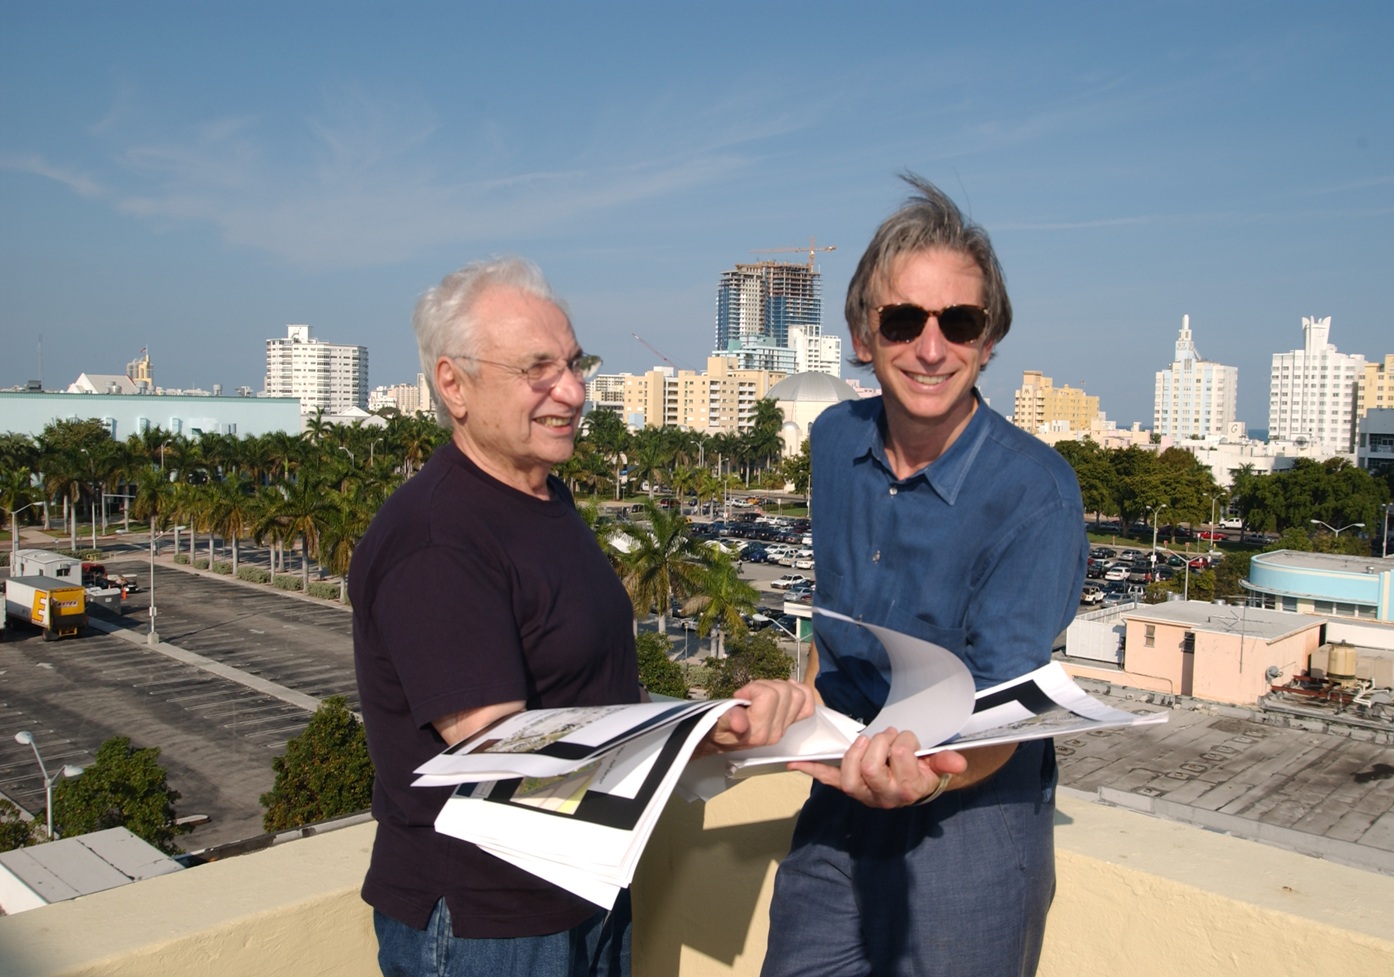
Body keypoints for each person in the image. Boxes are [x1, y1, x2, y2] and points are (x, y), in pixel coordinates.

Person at [350, 256, 811, 977]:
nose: (572, 391)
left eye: (575, 363)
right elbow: (513, 749)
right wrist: (689, 730)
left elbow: (585, 702)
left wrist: (706, 725)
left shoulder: (544, 499)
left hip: (580, 889)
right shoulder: (438, 536)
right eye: (539, 369)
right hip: (486, 923)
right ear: (453, 383)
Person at [760, 176, 1088, 977]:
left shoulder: (1036, 493)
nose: (931, 348)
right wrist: (794, 700)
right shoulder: (836, 439)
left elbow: (1008, 710)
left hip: (966, 817)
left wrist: (927, 780)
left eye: (960, 322)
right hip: (842, 788)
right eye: (903, 320)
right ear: (862, 336)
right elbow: (835, 627)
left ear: (988, 340)